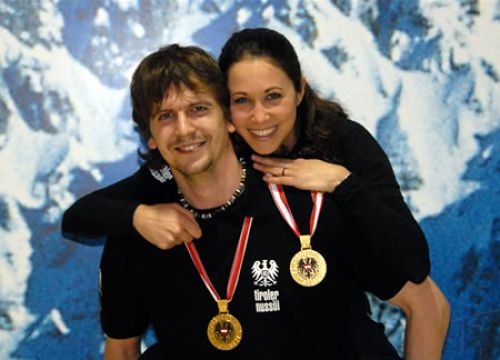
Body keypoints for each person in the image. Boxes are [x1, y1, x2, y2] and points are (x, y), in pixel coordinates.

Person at [61, 31, 450, 359]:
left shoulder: (315, 203)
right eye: (165, 116)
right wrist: (136, 219)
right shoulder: (138, 232)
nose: (183, 130)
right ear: (149, 134)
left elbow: (425, 296)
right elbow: (122, 347)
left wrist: (342, 183)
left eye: (198, 109)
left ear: (227, 119)